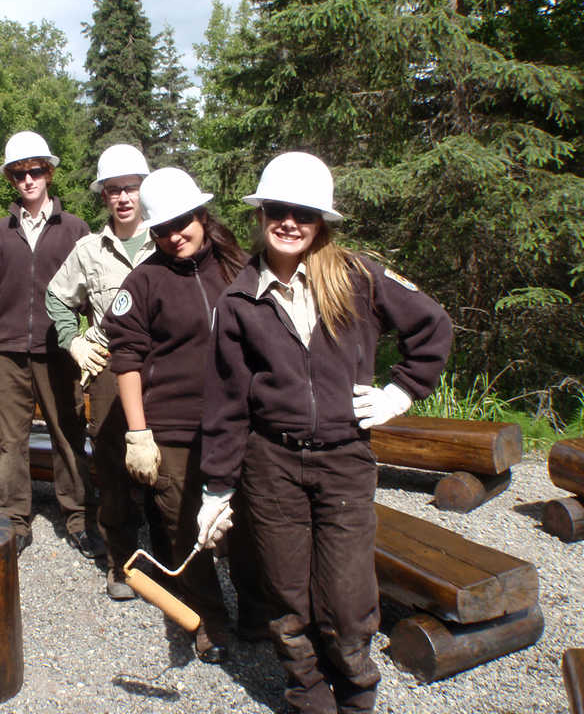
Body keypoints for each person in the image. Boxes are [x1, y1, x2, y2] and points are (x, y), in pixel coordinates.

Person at [197, 152, 453, 713]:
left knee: (347, 602)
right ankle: (308, 697)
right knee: (286, 600)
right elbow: (226, 400)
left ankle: (357, 697)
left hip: (343, 460)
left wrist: (400, 393)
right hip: (271, 465)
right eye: (278, 210)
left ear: (323, 221)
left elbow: (433, 325)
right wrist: (215, 489)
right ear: (261, 214)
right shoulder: (238, 299)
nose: (289, 222)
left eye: (304, 213)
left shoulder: (358, 276)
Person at [102, 167, 247, 663]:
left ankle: (260, 608)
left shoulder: (239, 269)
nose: (172, 236)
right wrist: (137, 433)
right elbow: (125, 359)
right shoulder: (144, 281)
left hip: (238, 423)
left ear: (201, 215)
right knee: (187, 529)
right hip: (174, 429)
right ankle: (209, 619)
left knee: (250, 523)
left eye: (181, 223)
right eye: (160, 229)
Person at [0, 131, 104, 559]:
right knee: (10, 439)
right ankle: (13, 520)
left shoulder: (76, 230)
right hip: (7, 353)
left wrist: (90, 343)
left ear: (49, 173)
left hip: (61, 354)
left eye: (35, 171)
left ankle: (79, 518)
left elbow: (94, 294)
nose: (28, 180)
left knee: (68, 433)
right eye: (19, 173)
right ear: (10, 179)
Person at [45, 144, 161, 600]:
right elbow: (56, 297)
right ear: (104, 197)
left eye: (130, 188)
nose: (123, 198)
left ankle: (173, 562)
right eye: (113, 190)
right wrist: (71, 340)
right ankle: (121, 563)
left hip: (165, 368)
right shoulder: (89, 250)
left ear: (143, 191)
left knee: (168, 468)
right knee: (113, 468)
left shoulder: (168, 238)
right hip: (111, 370)